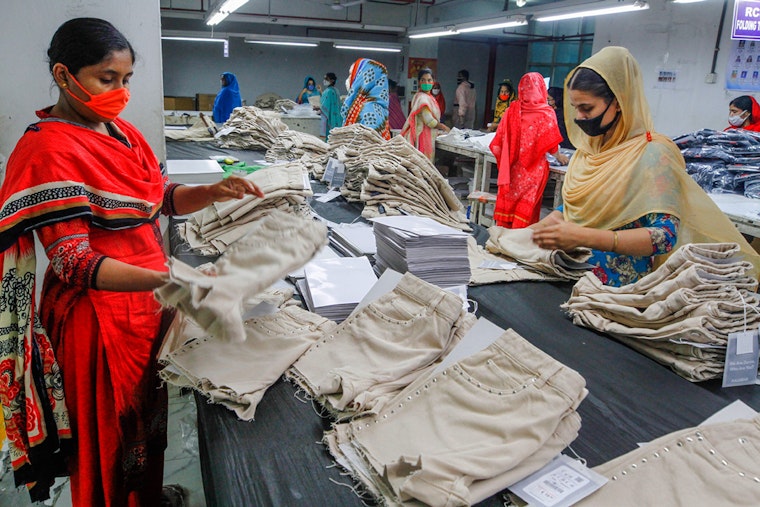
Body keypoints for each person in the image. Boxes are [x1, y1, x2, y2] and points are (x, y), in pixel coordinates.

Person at [0, 18, 264, 505]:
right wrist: (173, 280)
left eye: (126, 80)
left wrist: (211, 192)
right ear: (63, 75)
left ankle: (143, 497)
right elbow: (74, 263)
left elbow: (157, 199)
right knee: (108, 439)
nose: (120, 92)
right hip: (98, 323)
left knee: (144, 427)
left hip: (145, 311)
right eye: (107, 78)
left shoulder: (121, 133)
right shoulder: (48, 148)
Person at [531, 46, 760, 286]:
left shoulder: (652, 154)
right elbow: (571, 205)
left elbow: (664, 236)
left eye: (587, 108)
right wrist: (538, 230)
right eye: (575, 108)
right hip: (569, 271)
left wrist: (588, 237)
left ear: (618, 101)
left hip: (616, 288)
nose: (580, 117)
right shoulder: (590, 151)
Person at [489, 72, 568, 229]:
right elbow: (551, 144)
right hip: (533, 171)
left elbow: (498, 141)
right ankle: (520, 242)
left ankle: (503, 239)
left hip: (512, 168)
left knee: (510, 204)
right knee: (527, 208)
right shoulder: (546, 112)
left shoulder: (512, 110)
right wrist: (560, 157)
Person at [400, 68, 450, 161]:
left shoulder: (425, 96)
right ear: (419, 82)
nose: (426, 83)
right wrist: (444, 127)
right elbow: (429, 121)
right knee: (424, 164)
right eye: (423, 80)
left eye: (429, 80)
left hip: (425, 134)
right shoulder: (423, 99)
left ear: (433, 81)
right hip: (423, 137)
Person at [341, 58, 391, 140]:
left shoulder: (369, 110)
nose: (349, 79)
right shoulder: (365, 106)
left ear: (363, 78)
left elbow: (368, 148)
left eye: (351, 74)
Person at [319, 72, 342, 140]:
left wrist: (319, 108)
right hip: (337, 118)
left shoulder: (328, 91)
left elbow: (325, 106)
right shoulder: (336, 90)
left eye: (326, 79)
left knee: (329, 137)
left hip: (330, 118)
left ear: (332, 81)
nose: (324, 80)